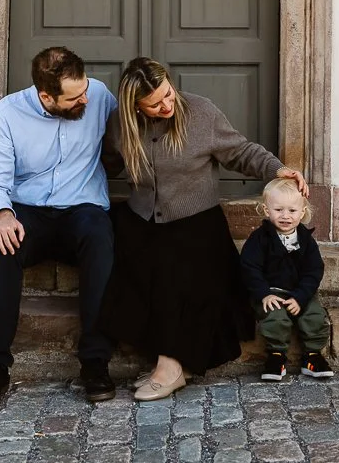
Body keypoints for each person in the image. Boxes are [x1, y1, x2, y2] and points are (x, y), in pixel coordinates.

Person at [98, 56, 307, 401]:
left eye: (167, 94)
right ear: (134, 107)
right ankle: (144, 357)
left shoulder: (200, 111)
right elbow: (105, 162)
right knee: (121, 255)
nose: (166, 105)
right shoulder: (121, 123)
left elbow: (239, 151)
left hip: (195, 219)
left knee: (173, 265)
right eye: (154, 105)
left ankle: (173, 365)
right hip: (143, 216)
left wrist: (277, 169)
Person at [0, 46, 118, 407]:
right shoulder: (8, 113)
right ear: (46, 96)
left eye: (85, 89)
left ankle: (95, 362)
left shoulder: (98, 95)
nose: (86, 98)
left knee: (101, 235)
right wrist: (2, 215)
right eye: (74, 96)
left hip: (82, 209)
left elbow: (131, 135)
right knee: (2, 246)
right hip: (29, 213)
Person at [239, 177, 333, 381]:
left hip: (299, 292)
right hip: (270, 292)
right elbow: (249, 268)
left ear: (302, 213)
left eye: (292, 211)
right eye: (278, 209)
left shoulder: (306, 240)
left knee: (314, 315)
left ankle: (312, 356)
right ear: (266, 210)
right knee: (275, 317)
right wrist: (263, 294)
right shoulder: (260, 239)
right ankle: (276, 356)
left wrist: (300, 297)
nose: (285, 216)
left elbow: (314, 270)